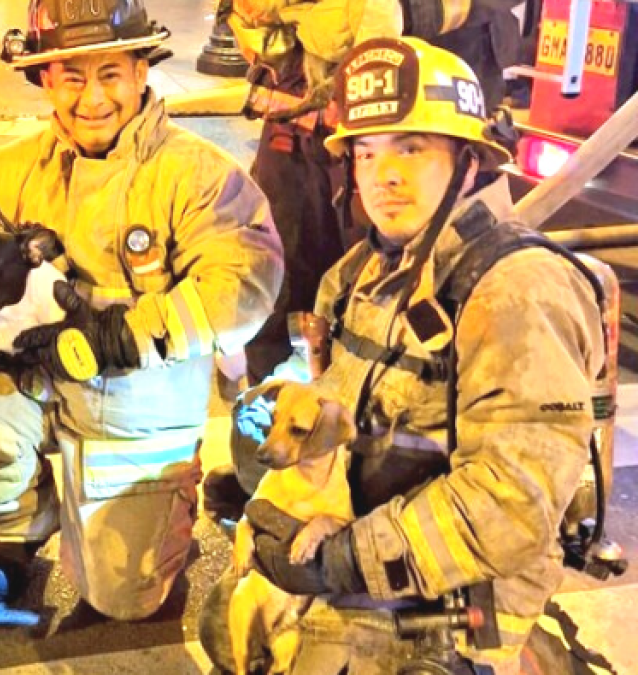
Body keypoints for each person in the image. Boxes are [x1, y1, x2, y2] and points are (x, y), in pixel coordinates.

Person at [200, 37, 611, 674]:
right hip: (370, 546)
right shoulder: (361, 272)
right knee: (227, 622)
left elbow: (511, 507)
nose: (382, 176)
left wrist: (341, 559)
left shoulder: (515, 292)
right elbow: (339, 417)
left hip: (459, 600)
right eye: (366, 153)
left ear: (470, 162)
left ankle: (517, 660)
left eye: (411, 149)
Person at [0, 0, 284, 620]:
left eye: (109, 74)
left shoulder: (201, 176)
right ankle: (22, 531)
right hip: (34, 387)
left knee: (122, 601)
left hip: (137, 408)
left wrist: (118, 338)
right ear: (46, 79)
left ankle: (165, 508)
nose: (91, 97)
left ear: (142, 71)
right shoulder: (14, 169)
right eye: (72, 76)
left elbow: (245, 283)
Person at [205, 0, 528, 529]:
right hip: (305, 125)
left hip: (432, 121)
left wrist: (400, 11)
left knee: (429, 311)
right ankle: (279, 477)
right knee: (298, 296)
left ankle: (386, 502)